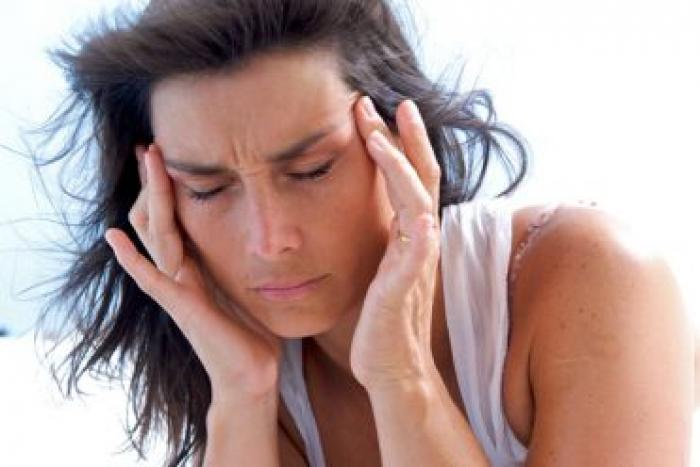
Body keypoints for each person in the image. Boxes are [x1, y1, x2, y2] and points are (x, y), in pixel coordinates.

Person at [31, 0, 694, 465]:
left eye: (312, 169)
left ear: (403, 140)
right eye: (207, 188)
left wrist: (400, 373)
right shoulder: (249, 352)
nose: (268, 240)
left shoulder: (596, 277)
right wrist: (241, 393)